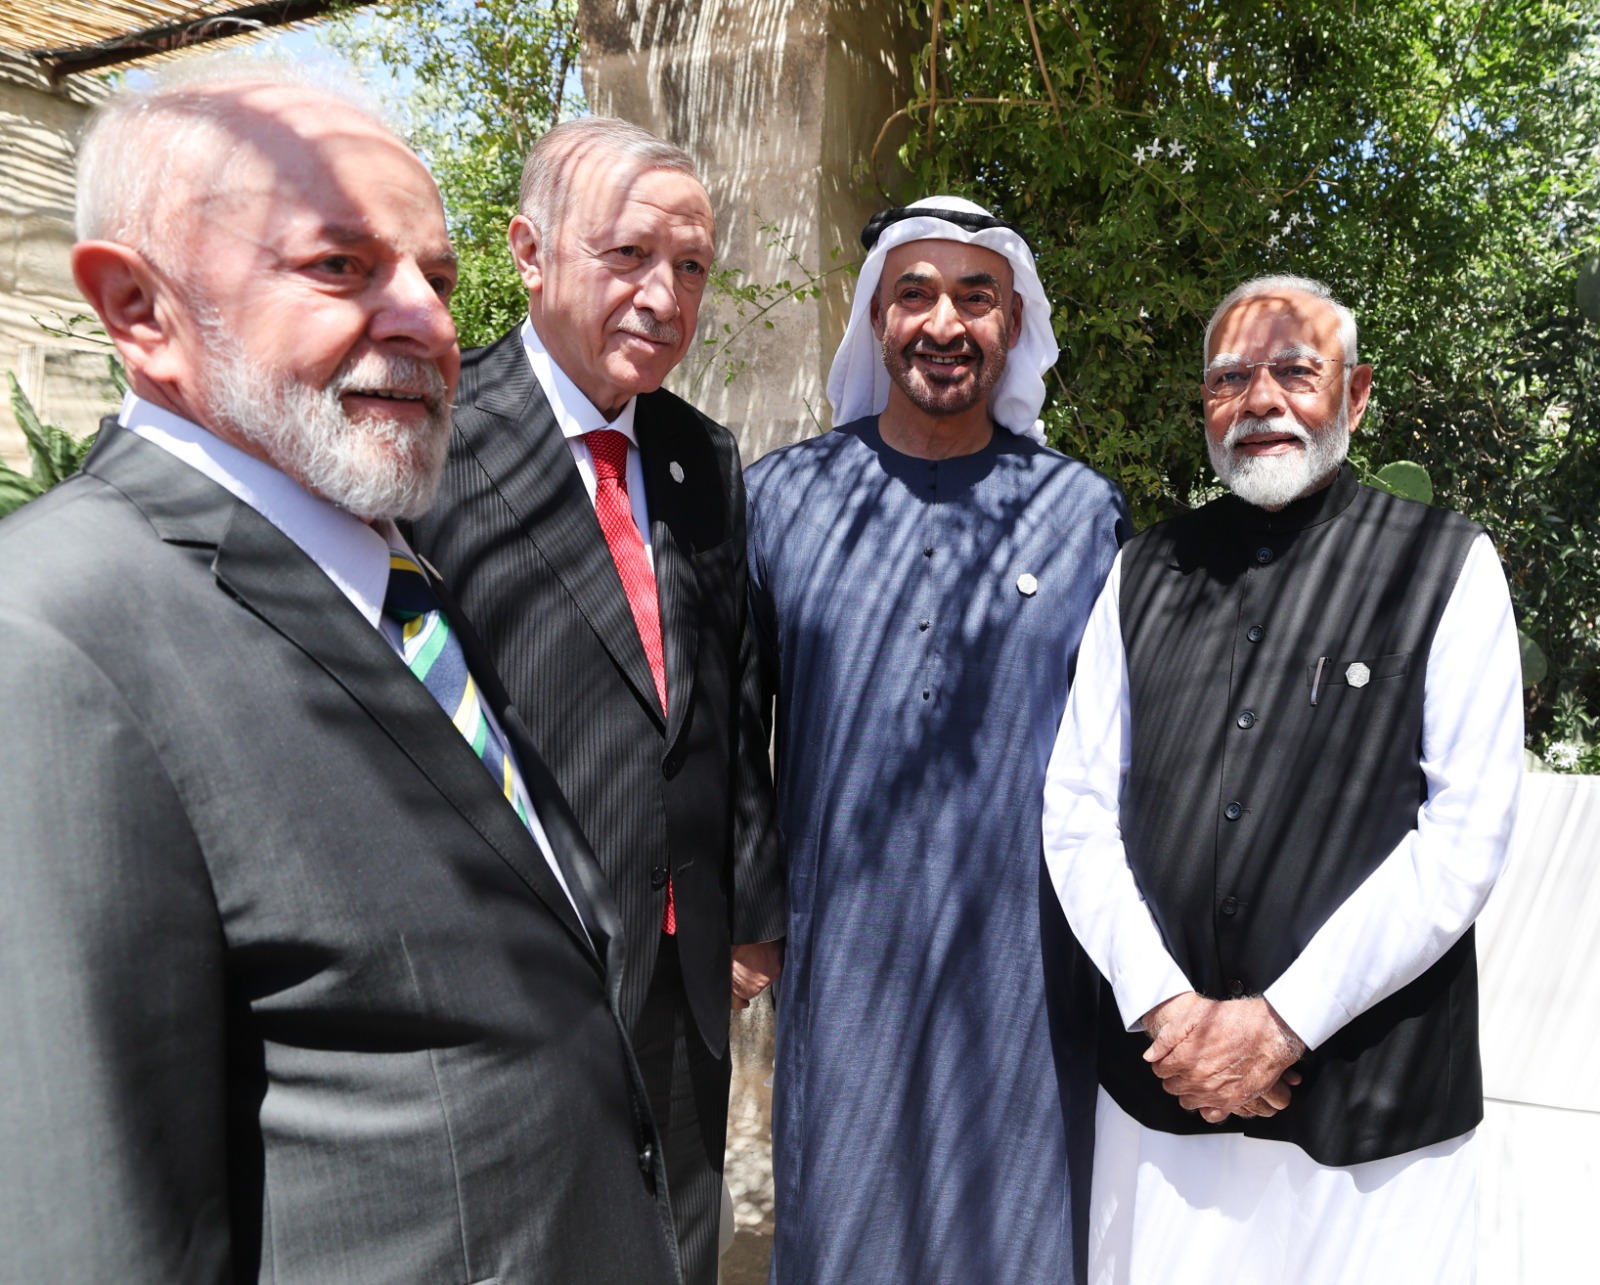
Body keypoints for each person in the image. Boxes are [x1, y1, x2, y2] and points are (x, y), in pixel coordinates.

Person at [0, 64, 679, 1284]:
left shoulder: (393, 578)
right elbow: (93, 1235)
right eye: (341, 267)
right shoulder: (54, 634)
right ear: (138, 308)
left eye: (440, 277)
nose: (428, 319)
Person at [1042, 275, 1523, 1285]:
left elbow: (1464, 835)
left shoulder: (1445, 565)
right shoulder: (1143, 571)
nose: (1259, 398)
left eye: (1294, 371)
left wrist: (1279, 1022)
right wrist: (1167, 1009)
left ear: (1353, 397)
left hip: (1371, 1110)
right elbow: (1077, 809)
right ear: (1206, 409)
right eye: (1229, 377)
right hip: (1161, 1092)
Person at [407, 116, 785, 1285]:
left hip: (689, 959)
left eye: (690, 268)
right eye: (626, 256)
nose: (663, 295)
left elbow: (732, 689)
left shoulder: (701, 455)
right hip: (517, 965)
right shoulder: (434, 446)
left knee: (676, 1238)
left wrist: (749, 901)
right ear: (529, 251)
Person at [745, 196, 1129, 1285]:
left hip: (1027, 963)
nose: (943, 323)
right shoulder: (780, 500)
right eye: (912, 294)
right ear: (876, 319)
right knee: (844, 1220)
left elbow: (1124, 752)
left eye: (976, 297)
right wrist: (747, 909)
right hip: (843, 960)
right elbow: (727, 734)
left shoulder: (1080, 512)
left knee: (1017, 1227)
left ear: (1013, 325)